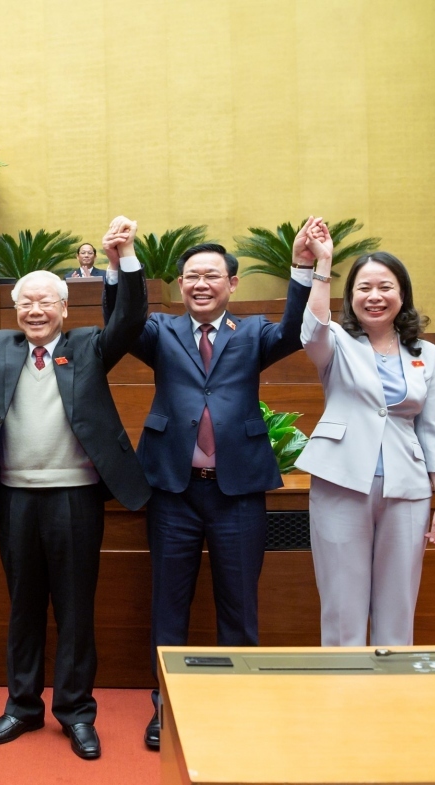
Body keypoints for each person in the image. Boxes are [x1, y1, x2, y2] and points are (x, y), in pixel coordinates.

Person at [104, 229, 312, 749]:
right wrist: (120, 265)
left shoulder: (253, 333)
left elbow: (294, 330)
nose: (200, 284)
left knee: (239, 605)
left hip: (237, 491)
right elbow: (122, 323)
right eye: (191, 276)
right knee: (168, 606)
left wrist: (304, 268)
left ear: (232, 284)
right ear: (179, 285)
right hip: (173, 490)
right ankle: (165, 708)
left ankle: (237, 705)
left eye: (211, 276)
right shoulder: (160, 331)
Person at [0, 217, 151, 760]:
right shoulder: (0, 347)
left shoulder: (89, 346)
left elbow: (132, 318)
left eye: (46, 302)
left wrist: (124, 261)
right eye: (26, 303)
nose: (35, 311)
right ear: (15, 310)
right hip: (15, 498)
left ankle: (75, 711)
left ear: (66, 309)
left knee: (73, 608)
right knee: (22, 607)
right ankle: (21, 706)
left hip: (76, 498)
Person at [293, 222, 435, 647]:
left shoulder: (426, 354)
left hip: (408, 487)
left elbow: (433, 428)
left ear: (402, 296)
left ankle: (393, 701)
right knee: (343, 605)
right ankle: (343, 702)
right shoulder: (337, 341)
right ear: (351, 297)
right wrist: (322, 263)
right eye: (364, 288)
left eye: (385, 287)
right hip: (341, 481)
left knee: (398, 604)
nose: (375, 296)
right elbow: (311, 330)